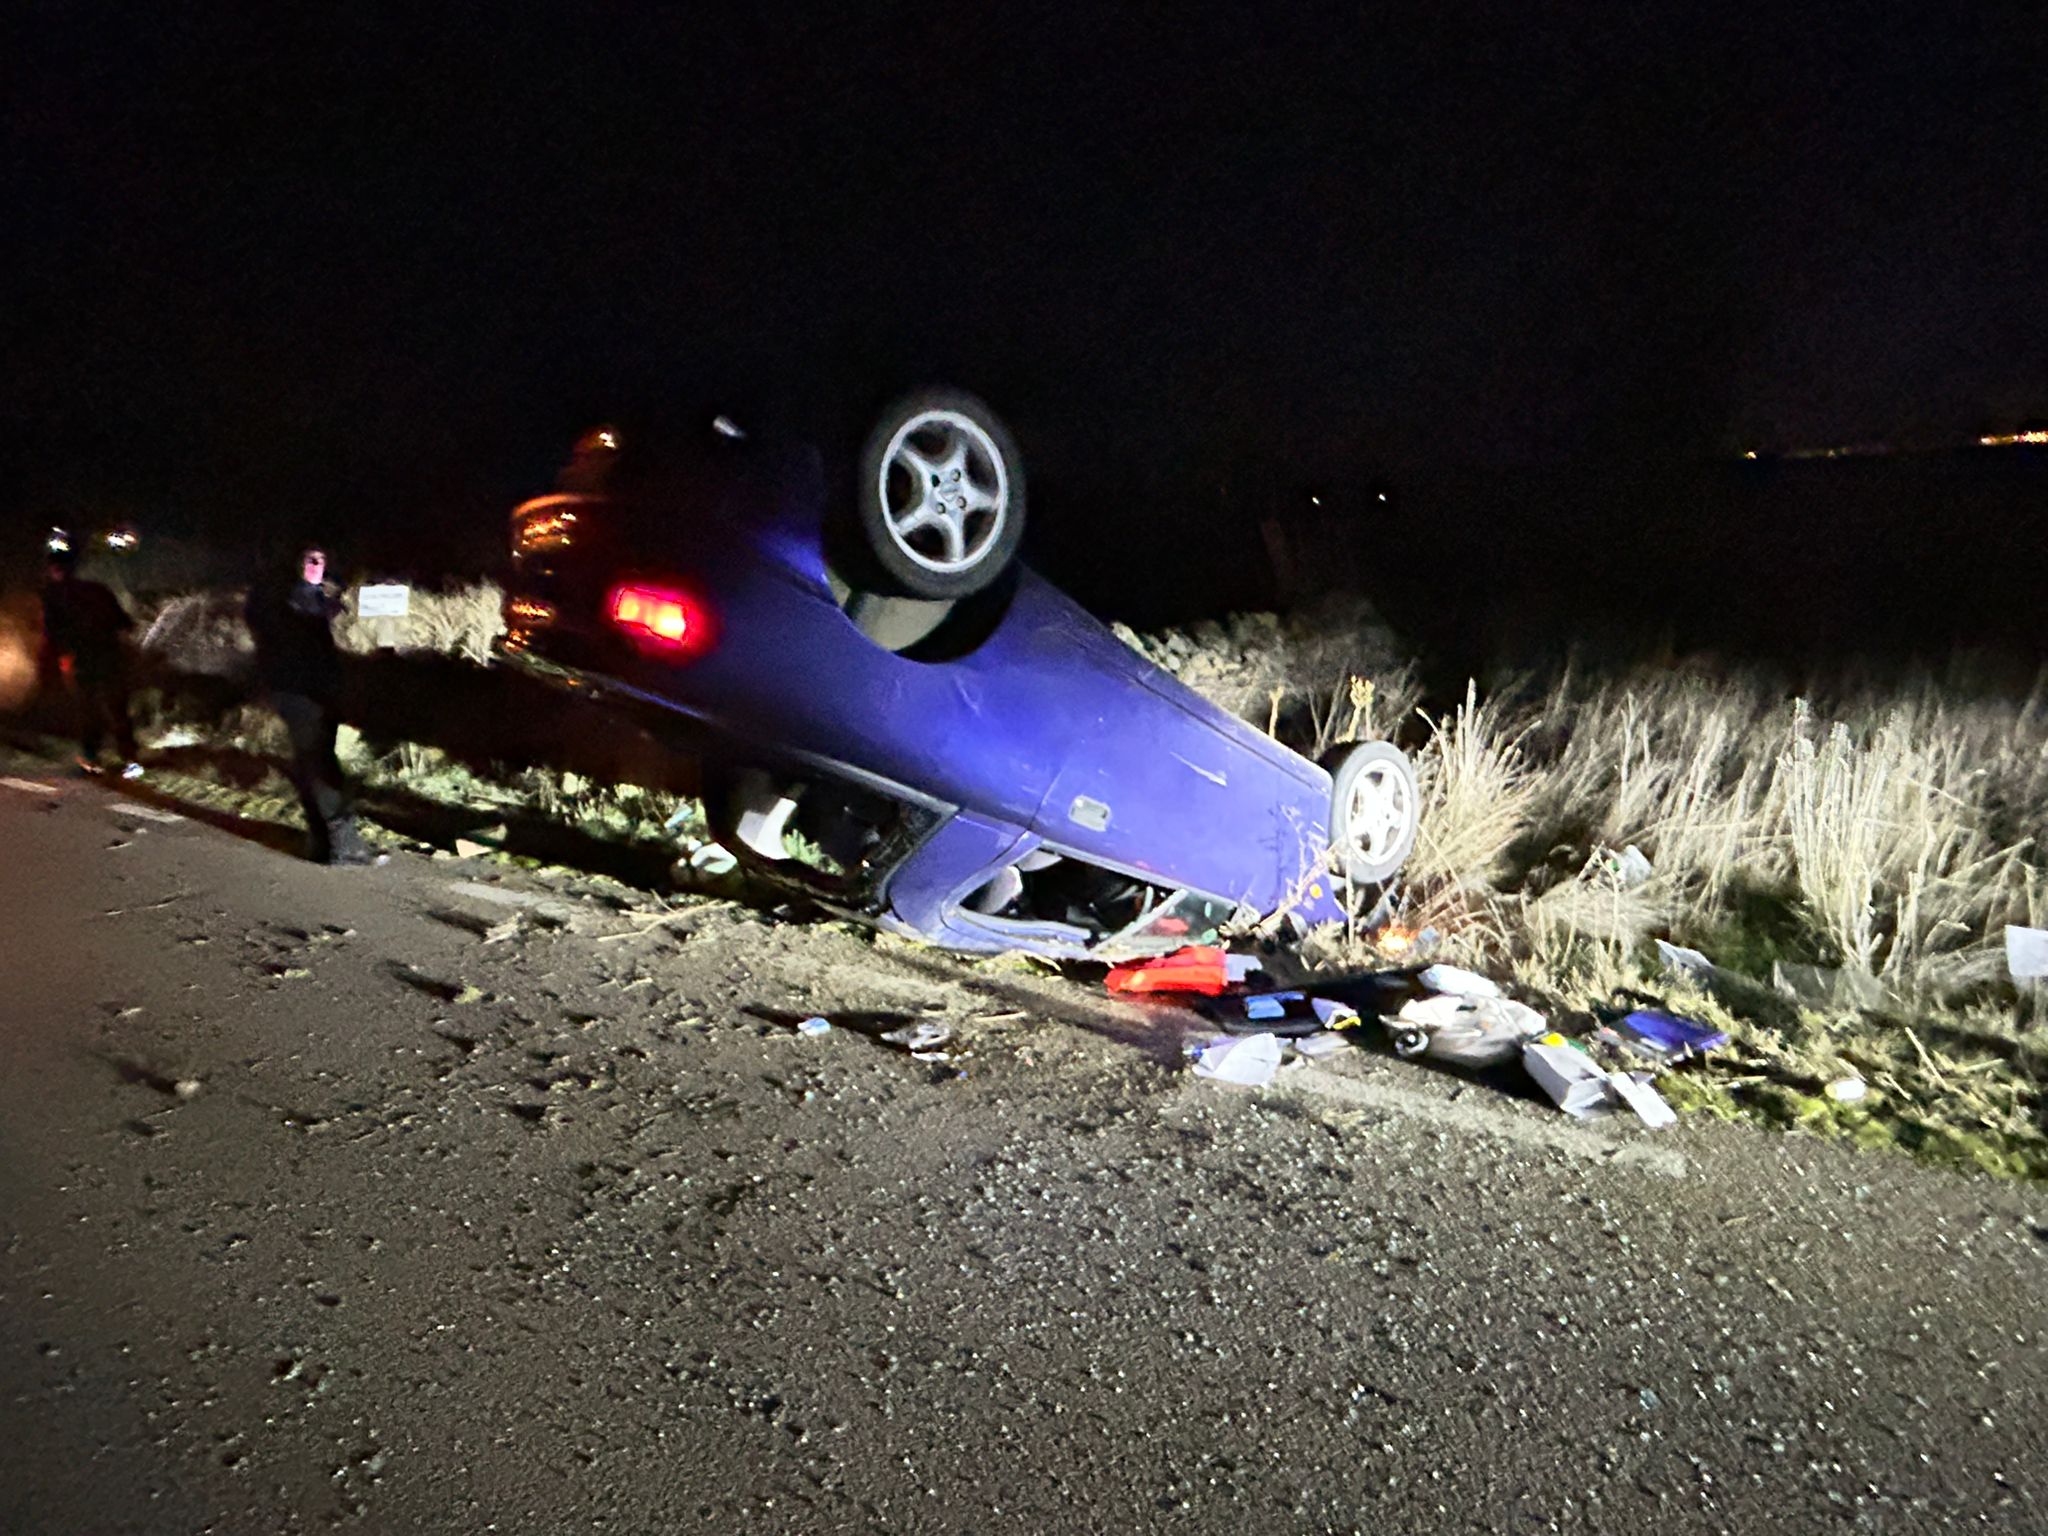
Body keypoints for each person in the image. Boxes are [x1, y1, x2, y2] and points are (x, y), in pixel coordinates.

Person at [244, 546, 375, 865]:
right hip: (300, 691)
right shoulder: (287, 598)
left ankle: (321, 843)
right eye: (310, 560)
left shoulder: (306, 596)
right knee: (319, 762)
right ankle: (343, 844)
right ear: (295, 563)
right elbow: (293, 638)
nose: (317, 566)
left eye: (322, 561)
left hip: (311, 691)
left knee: (311, 761)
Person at [39, 542, 143, 778]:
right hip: (110, 655)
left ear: (54, 569)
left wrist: (51, 664)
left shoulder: (54, 595)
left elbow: (52, 633)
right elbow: (125, 623)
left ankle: (91, 758)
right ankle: (131, 760)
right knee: (117, 708)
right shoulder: (98, 589)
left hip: (83, 659)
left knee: (89, 708)